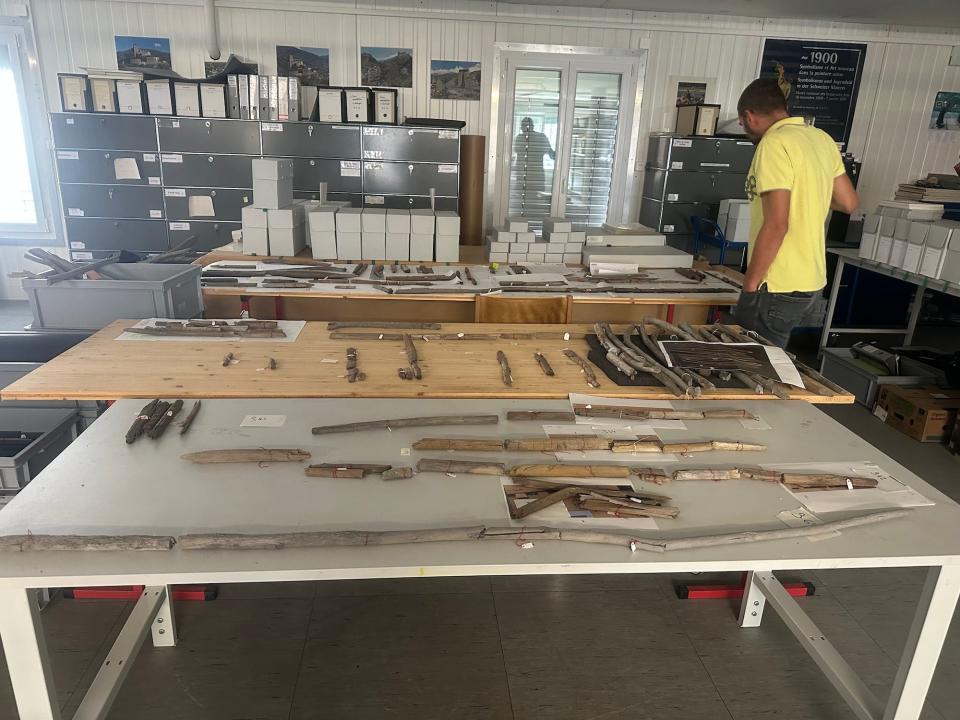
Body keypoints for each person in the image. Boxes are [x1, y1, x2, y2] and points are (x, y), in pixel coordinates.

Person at [732, 78, 859, 348]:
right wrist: (808, 199)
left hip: (778, 282)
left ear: (749, 116)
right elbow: (848, 202)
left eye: (742, 125)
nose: (745, 130)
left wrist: (750, 287)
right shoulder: (821, 138)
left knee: (757, 366)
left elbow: (777, 225)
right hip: (811, 279)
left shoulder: (774, 144)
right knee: (771, 360)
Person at [513, 117, 555, 194]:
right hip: (527, 176)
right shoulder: (521, 138)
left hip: (533, 176)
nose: (523, 128)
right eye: (522, 126)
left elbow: (552, 155)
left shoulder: (540, 137)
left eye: (524, 126)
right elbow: (552, 155)